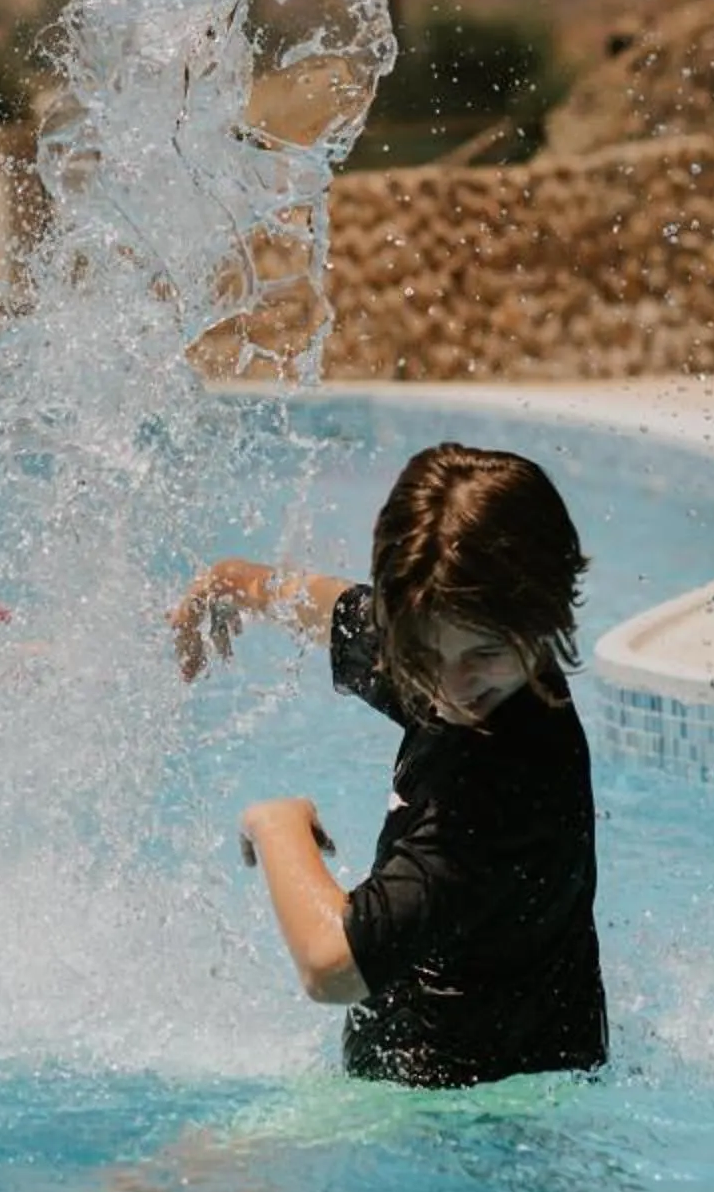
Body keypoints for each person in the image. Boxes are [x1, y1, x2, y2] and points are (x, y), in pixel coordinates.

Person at [171, 443, 605, 1088]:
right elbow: (333, 607)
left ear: (549, 609)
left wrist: (279, 825)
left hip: (479, 1102)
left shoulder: (495, 794)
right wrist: (229, 583)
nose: (452, 686)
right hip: (468, 1069)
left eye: (481, 654)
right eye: (423, 653)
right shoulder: (463, 649)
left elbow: (330, 967)